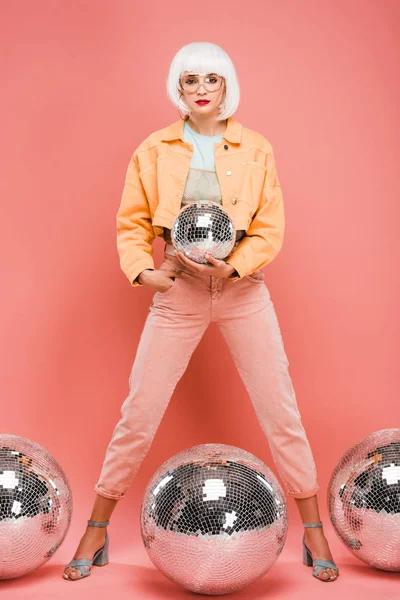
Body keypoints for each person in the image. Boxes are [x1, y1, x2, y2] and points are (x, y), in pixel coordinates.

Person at [63, 41, 339, 582]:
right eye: (191, 81)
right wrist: (146, 272)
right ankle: (96, 530)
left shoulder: (256, 147)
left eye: (212, 79)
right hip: (180, 290)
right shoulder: (154, 148)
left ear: (227, 85)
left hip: (243, 289)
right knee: (139, 412)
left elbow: (269, 227)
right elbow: (132, 222)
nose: (202, 90)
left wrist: (234, 269)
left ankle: (314, 531)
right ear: (178, 89)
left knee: (280, 409)